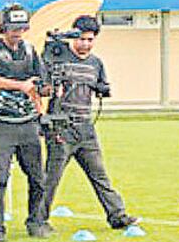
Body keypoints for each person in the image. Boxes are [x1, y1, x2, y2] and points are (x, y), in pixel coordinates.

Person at [41, 15, 139, 230]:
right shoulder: (57, 57)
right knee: (51, 178)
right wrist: (52, 88)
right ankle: (39, 219)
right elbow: (43, 87)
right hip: (61, 128)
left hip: (86, 128)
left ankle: (117, 215)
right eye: (82, 39)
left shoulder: (96, 63)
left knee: (100, 175)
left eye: (90, 40)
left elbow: (102, 85)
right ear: (73, 36)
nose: (85, 44)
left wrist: (103, 89)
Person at [0, 3, 50, 242]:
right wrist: (19, 85)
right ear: (3, 27)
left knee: (37, 177)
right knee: (0, 177)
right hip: (2, 123)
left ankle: (35, 221)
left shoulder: (31, 51)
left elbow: (40, 85)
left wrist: (44, 94)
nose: (17, 32)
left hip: (28, 122)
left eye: (21, 27)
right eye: (12, 28)